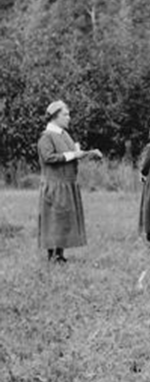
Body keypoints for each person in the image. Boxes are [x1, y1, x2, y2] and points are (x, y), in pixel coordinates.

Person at [37, 100, 102, 263]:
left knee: (64, 219)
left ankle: (60, 254)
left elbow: (74, 153)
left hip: (67, 183)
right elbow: (48, 157)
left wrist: (90, 153)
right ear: (55, 117)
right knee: (54, 219)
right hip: (54, 185)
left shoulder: (64, 134)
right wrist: (73, 154)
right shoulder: (46, 136)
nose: (69, 118)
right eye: (65, 115)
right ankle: (52, 256)